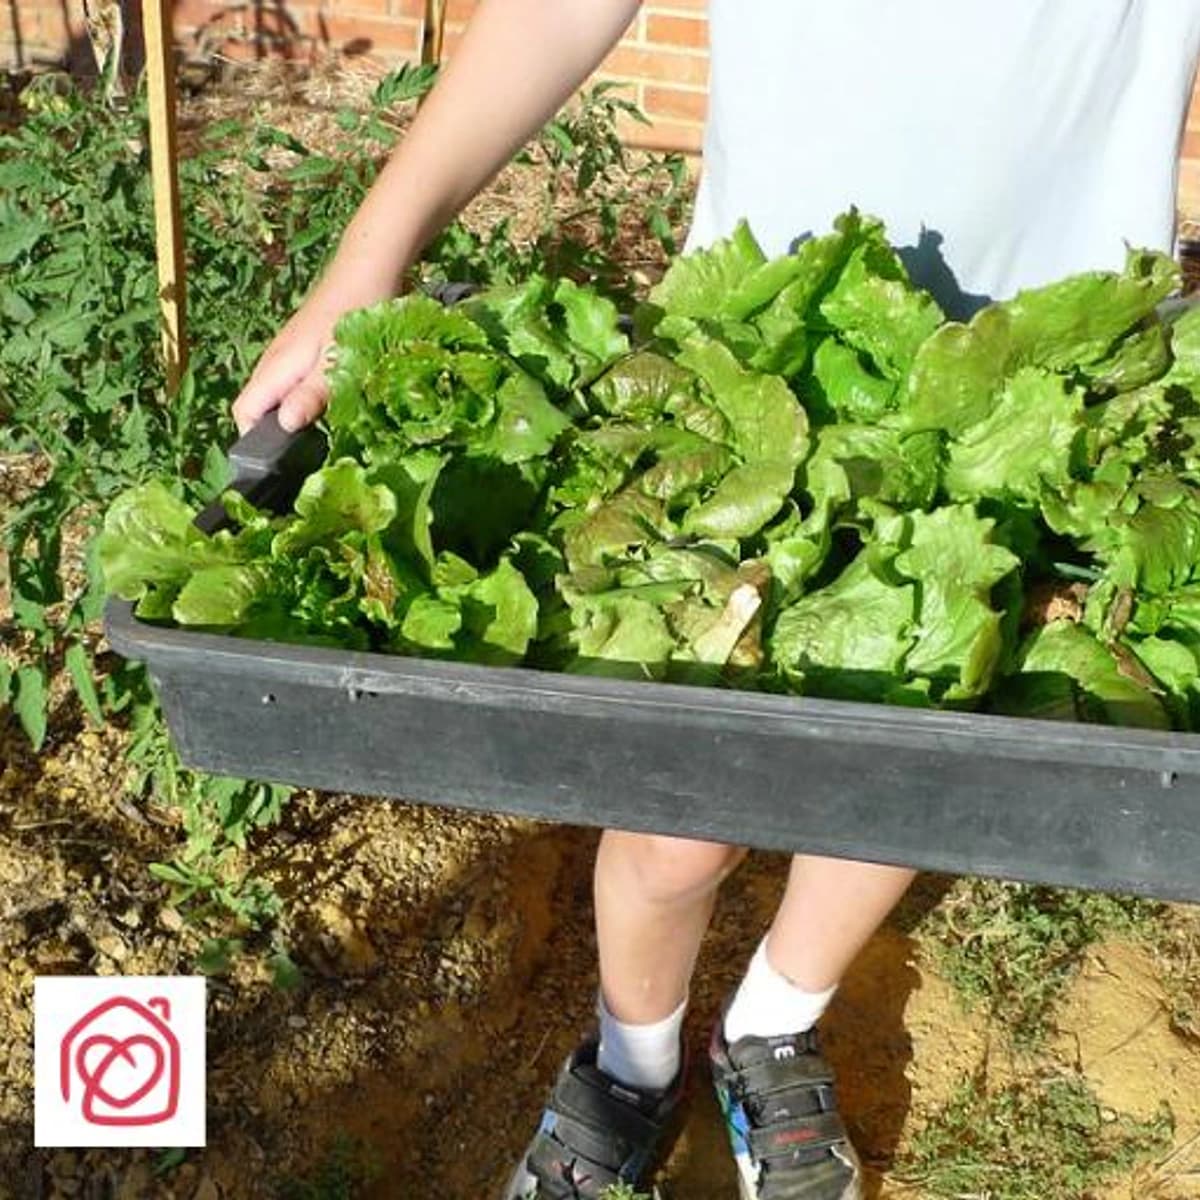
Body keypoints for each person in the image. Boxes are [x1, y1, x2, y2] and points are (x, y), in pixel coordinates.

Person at [233, 4, 1200, 1197]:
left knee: (910, 736)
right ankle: (635, 1065)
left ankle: (772, 1026)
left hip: (1047, 373)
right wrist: (365, 262)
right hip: (750, 358)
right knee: (674, 820)